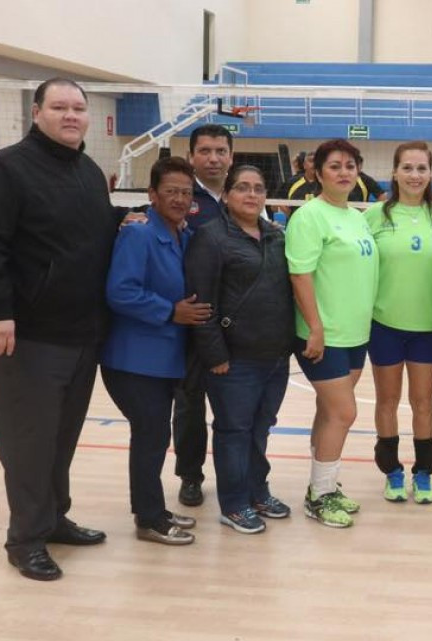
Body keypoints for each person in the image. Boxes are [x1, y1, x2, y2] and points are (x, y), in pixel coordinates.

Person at [0, 78, 119, 581]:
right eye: (59, 107)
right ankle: (25, 538)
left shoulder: (88, 172)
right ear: (36, 112)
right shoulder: (5, 170)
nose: (71, 115)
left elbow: (86, 234)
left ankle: (53, 519)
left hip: (81, 334)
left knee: (61, 439)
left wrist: (128, 220)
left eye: (78, 108)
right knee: (28, 443)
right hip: (26, 335)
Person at [101, 157, 211, 546]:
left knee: (155, 435)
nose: (180, 199)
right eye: (171, 192)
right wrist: (170, 311)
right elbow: (120, 291)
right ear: (152, 194)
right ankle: (148, 519)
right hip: (133, 360)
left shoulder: (182, 234)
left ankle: (155, 510)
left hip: (163, 360)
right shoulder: (140, 233)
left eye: (186, 192)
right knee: (150, 435)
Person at [185, 164, 296, 535]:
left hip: (275, 356)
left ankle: (257, 492)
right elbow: (202, 303)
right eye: (243, 188)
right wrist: (215, 355)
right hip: (234, 361)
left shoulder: (276, 235)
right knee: (234, 431)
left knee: (260, 428)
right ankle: (233, 504)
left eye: (258, 188)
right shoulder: (211, 237)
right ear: (227, 195)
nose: (252, 194)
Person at [286, 139, 379, 528]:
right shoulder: (309, 216)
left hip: (355, 334)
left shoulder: (357, 216)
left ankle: (323, 485)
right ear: (318, 172)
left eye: (350, 166)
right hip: (322, 335)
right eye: (335, 166)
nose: (344, 173)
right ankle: (320, 496)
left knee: (329, 412)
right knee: (344, 412)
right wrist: (316, 327)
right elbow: (300, 274)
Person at [363, 141, 432, 504]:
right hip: (384, 324)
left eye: (421, 168)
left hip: (427, 328)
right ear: (395, 172)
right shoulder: (375, 216)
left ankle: (423, 472)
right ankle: (392, 471)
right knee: (387, 400)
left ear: (430, 173)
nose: (414, 175)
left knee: (423, 402)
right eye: (407, 167)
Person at [173, 123, 233, 508]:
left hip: (236, 320)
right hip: (194, 319)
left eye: (220, 151)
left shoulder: (242, 193)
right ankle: (190, 476)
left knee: (234, 407)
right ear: (191, 156)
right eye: (205, 151)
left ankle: (236, 476)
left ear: (231, 156)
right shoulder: (181, 196)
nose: (213, 158)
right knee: (190, 406)